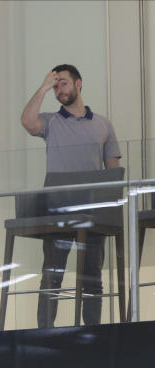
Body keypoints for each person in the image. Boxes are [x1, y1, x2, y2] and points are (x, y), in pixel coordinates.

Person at [21, 64, 121, 327]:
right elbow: (28, 123)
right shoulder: (51, 121)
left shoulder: (103, 124)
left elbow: (113, 173)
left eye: (62, 83)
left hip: (94, 212)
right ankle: (45, 333)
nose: (58, 90)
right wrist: (43, 87)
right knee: (52, 276)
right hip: (57, 211)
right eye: (55, 86)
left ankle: (93, 335)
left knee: (92, 278)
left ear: (79, 84)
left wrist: (113, 211)